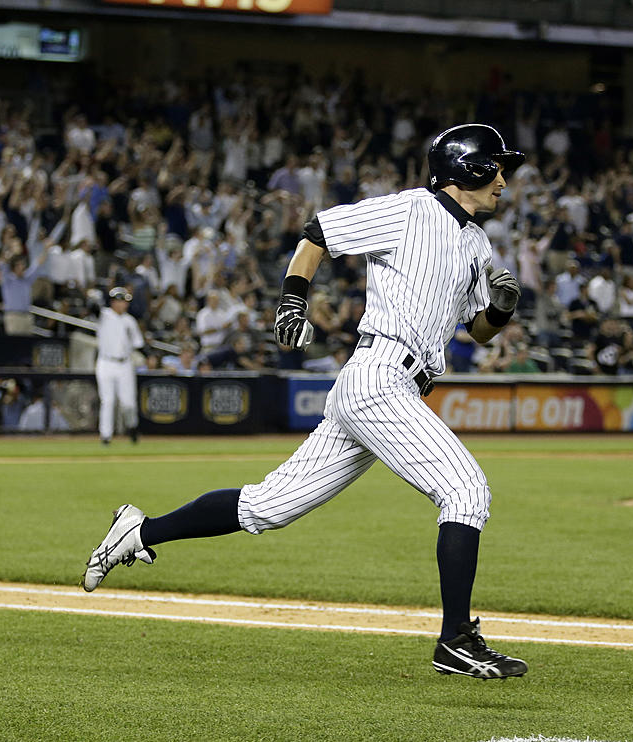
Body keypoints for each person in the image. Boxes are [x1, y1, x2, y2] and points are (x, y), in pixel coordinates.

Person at [81, 124, 529, 680]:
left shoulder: (476, 242)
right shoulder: (413, 210)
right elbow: (320, 232)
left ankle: (139, 531)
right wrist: (293, 299)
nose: (505, 179)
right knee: (465, 491)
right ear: (469, 167)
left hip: (391, 386)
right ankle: (455, 640)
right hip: (381, 375)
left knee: (267, 506)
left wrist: (503, 311)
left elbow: (478, 331)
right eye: (498, 166)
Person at [95, 286, 145, 445]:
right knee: (107, 401)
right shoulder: (104, 315)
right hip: (105, 362)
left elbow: (138, 343)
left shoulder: (129, 320)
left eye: (125, 301)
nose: (124, 304)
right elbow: (93, 308)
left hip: (124, 364)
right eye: (121, 301)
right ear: (113, 302)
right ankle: (105, 436)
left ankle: (132, 427)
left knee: (128, 403)